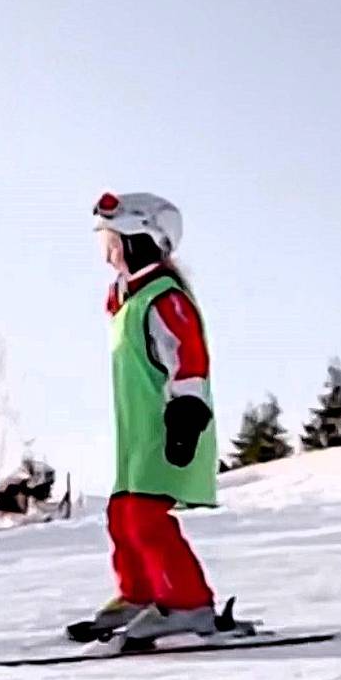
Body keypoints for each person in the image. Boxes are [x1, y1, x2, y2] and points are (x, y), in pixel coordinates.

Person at [80, 192, 224, 641]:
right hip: (136, 433)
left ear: (138, 238)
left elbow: (188, 357)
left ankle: (189, 604)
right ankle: (140, 594)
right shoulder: (128, 302)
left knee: (146, 517)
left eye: (111, 239)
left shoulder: (165, 297)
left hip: (171, 425)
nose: (105, 251)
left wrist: (185, 414)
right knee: (122, 514)